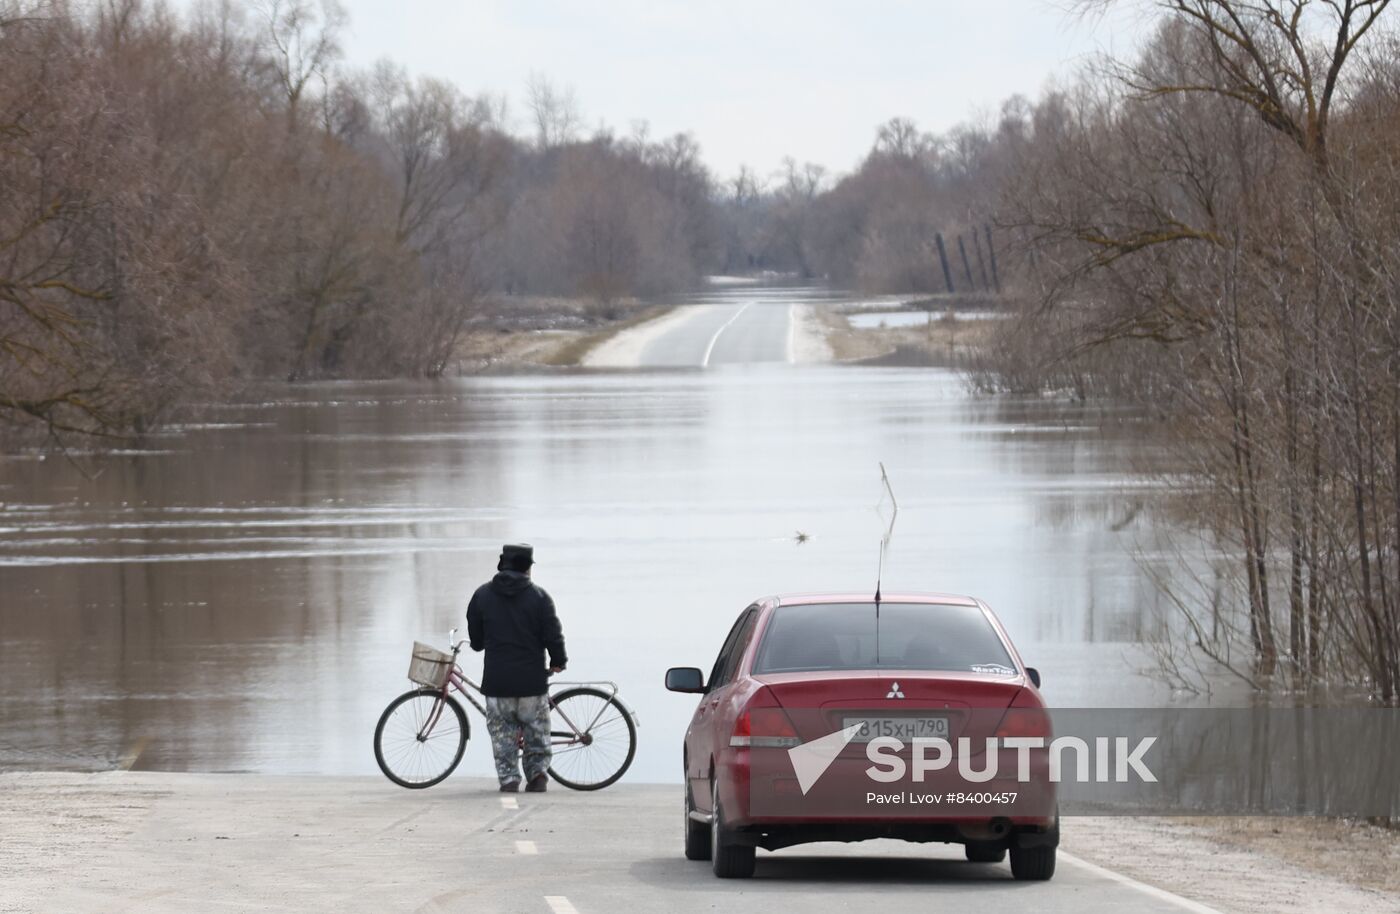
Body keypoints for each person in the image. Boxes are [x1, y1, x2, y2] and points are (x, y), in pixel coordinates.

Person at [466, 543, 567, 793]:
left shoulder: (482, 595)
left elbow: (476, 640)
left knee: (502, 735)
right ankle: (537, 775)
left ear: (503, 565)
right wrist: (558, 661)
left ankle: (509, 779)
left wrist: (481, 643)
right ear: (527, 569)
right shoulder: (540, 597)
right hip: (531, 682)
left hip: (497, 682)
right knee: (537, 732)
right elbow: (553, 634)